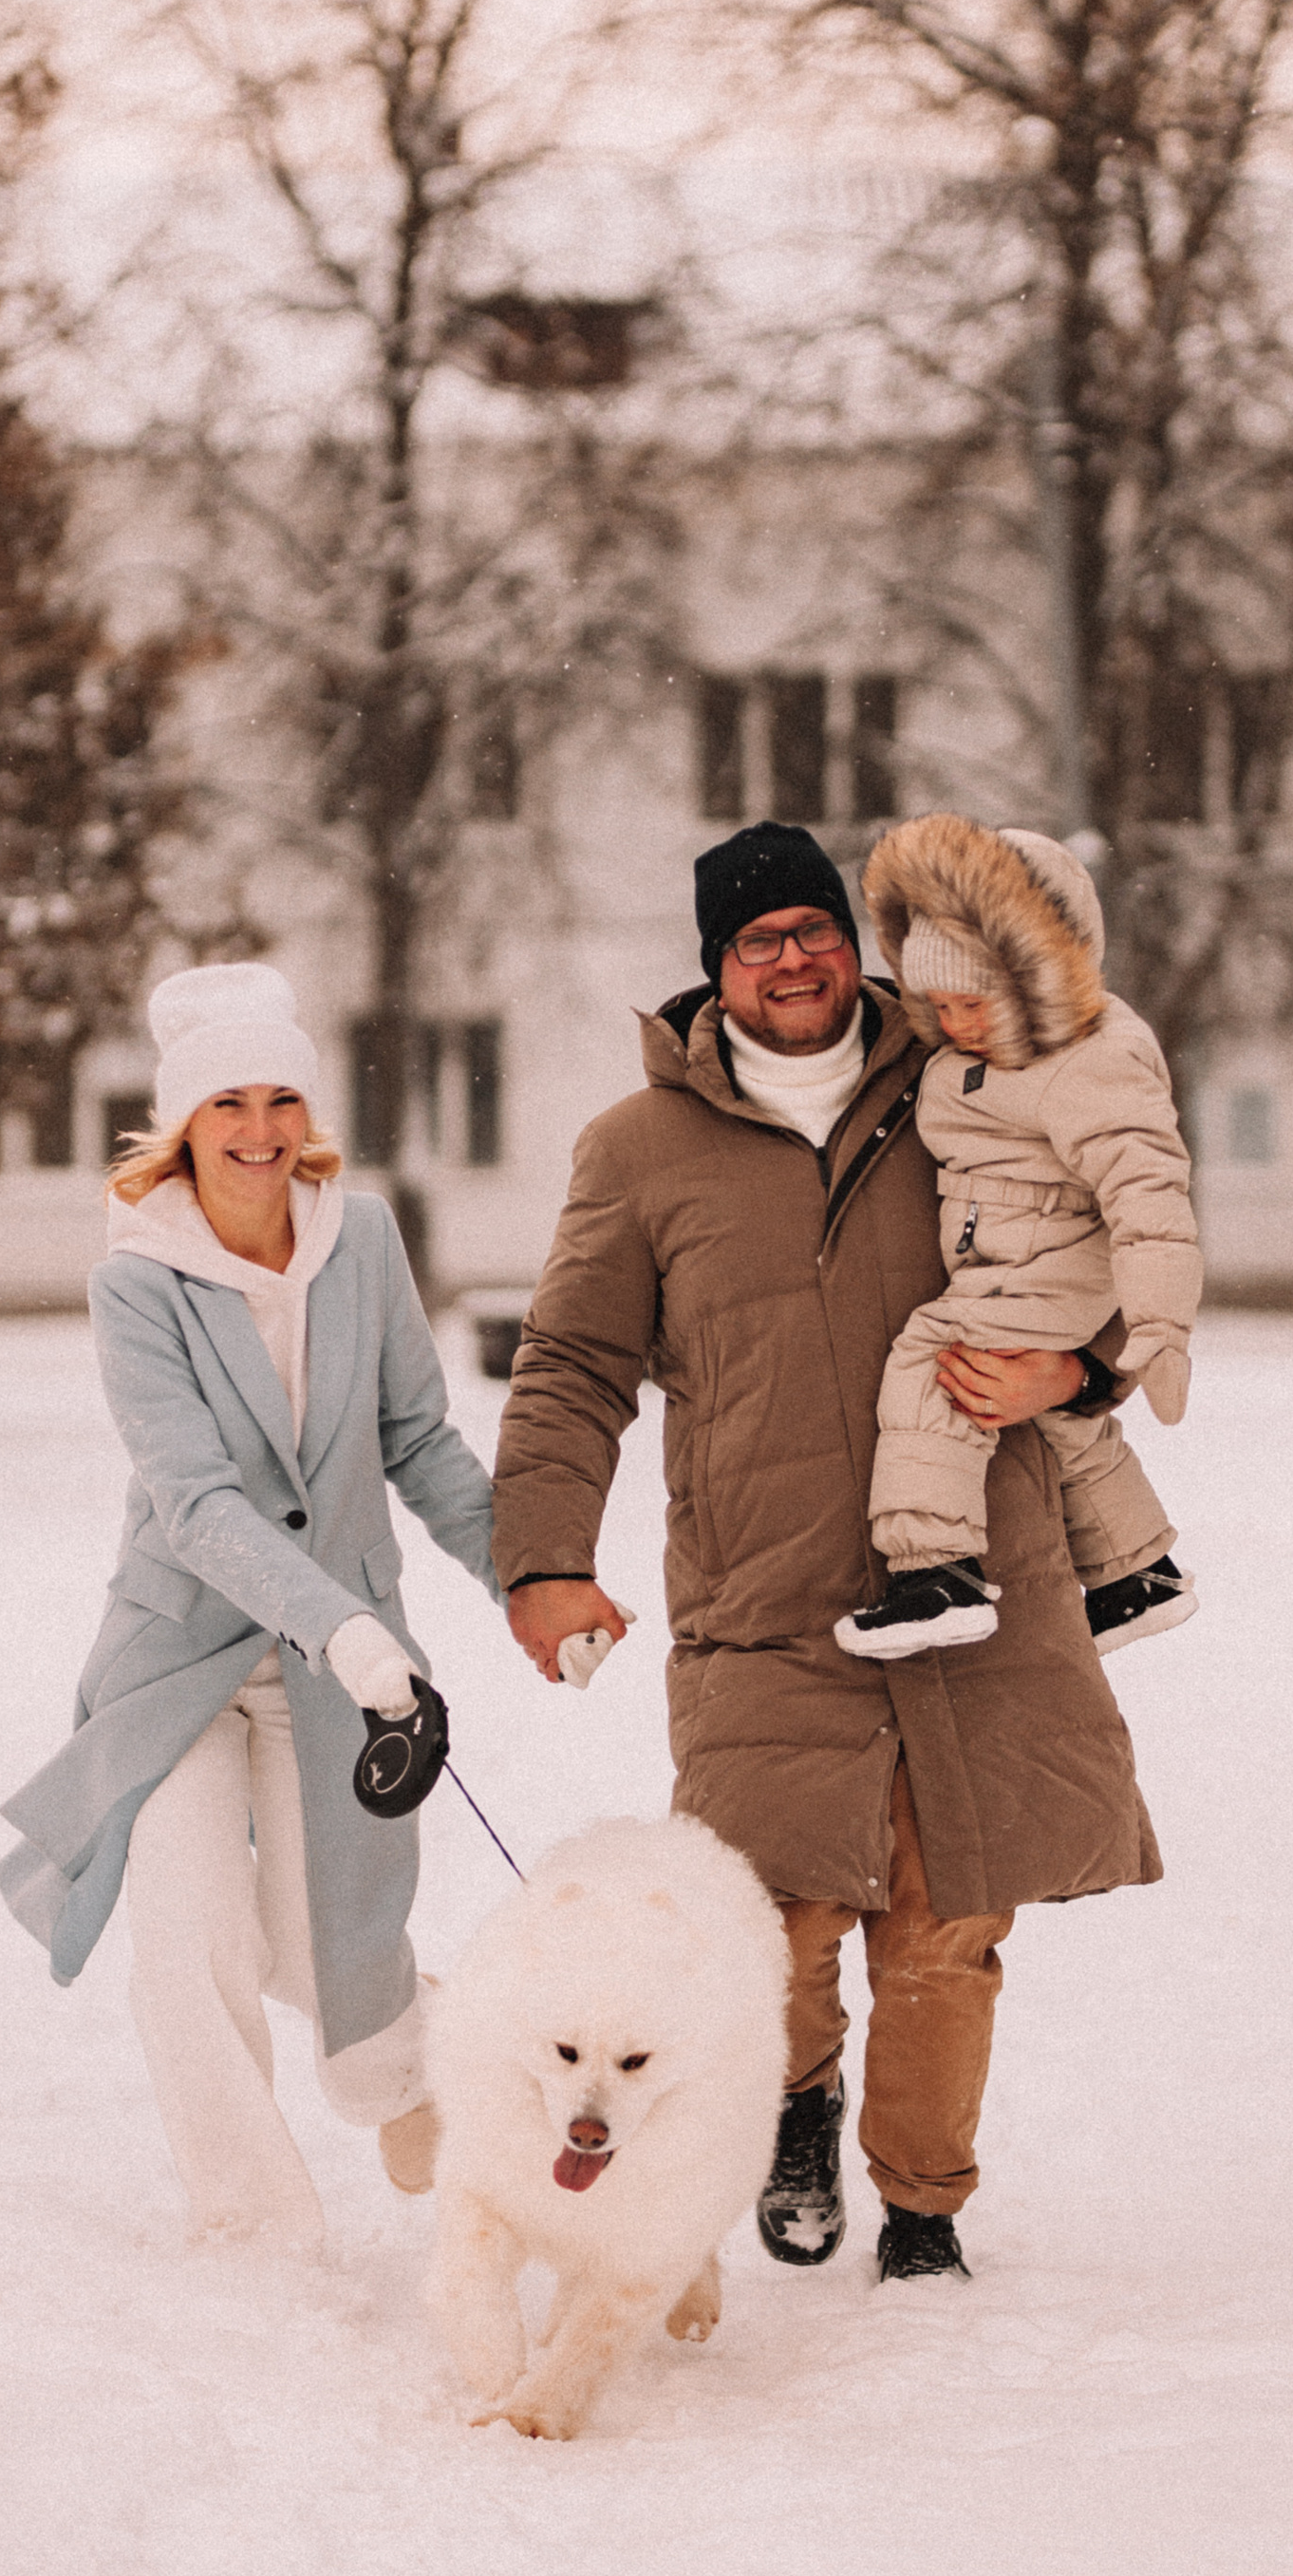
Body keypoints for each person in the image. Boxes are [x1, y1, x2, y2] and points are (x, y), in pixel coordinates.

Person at [492, 821, 1161, 2285]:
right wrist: (544, 1556)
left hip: (979, 1579)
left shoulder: (970, 1085)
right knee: (763, 1926)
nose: (790, 958)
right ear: (714, 970)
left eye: (812, 927)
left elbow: (1112, 1239)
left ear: (853, 945)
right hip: (762, 1597)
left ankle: (925, 2207)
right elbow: (571, 1368)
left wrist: (1080, 1370)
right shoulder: (641, 1150)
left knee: (946, 1931)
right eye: (755, 938)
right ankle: (794, 2106)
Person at [0, 963, 502, 2253]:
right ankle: (253, 2226)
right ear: (181, 1122)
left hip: (345, 1670)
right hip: (184, 1658)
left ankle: (408, 2062)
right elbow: (195, 1501)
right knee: (190, 1942)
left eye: (282, 1097)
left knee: (329, 1947)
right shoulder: (138, 1283)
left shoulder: (362, 1239)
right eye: (229, 1101)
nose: (260, 1129)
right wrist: (343, 1622)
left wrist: (527, 1576)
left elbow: (418, 1438)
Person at [834, 813, 1201, 1663]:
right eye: (942, 1005)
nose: (957, 1022)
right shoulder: (972, 1061)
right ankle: (1136, 1574)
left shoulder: (1091, 1062)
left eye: (977, 1002)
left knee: (936, 1364)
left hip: (1056, 1261)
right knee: (1064, 1422)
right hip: (1014, 1256)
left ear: (1038, 983)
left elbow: (1150, 1197)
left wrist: (1161, 1326)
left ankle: (937, 1572)